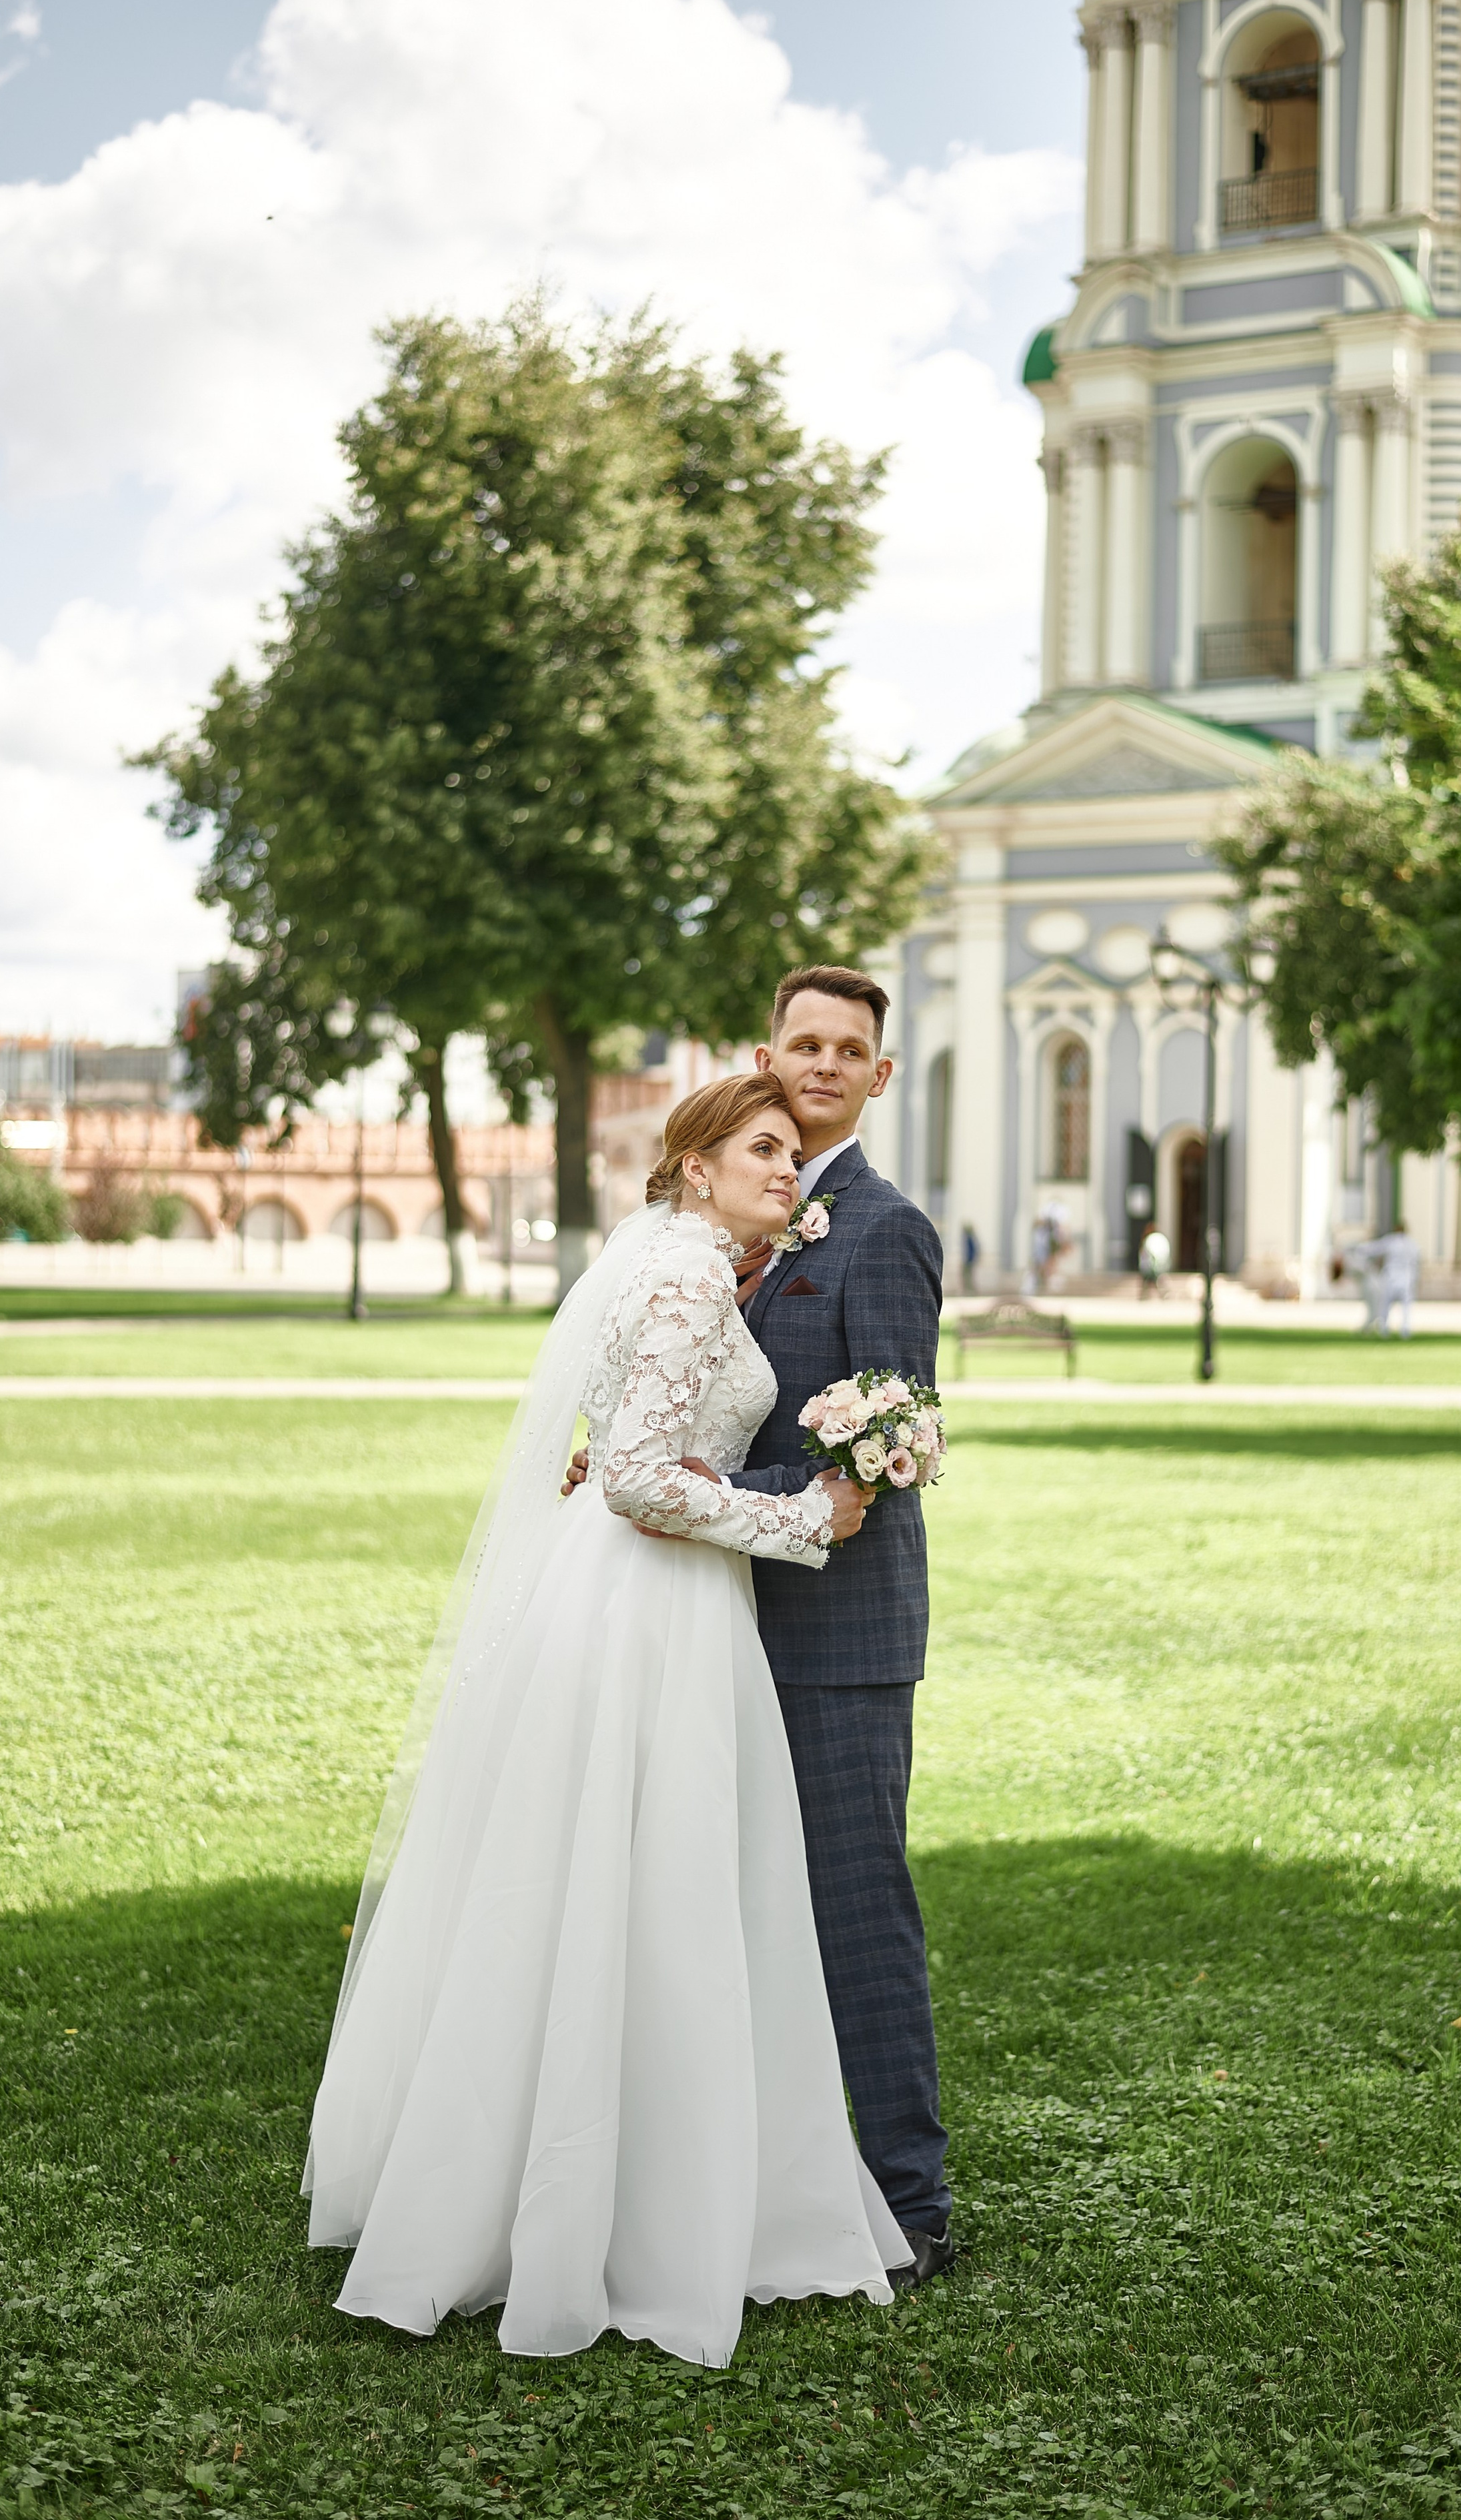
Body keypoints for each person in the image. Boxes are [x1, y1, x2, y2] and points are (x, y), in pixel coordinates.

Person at [304, 1073, 910, 2367]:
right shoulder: (692, 1277)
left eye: (793, 1153)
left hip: (627, 1594)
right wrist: (806, 1518)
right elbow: (637, 1477)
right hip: (654, 1606)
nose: (785, 1171)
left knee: (587, 1888)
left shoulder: (664, 1261)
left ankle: (583, 2186)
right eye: (760, 1148)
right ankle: (642, 2217)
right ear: (692, 1164)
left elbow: (623, 1449)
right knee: (663, 1887)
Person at [570, 966, 954, 2284]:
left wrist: (724, 1497)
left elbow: (886, 1439)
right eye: (806, 1042)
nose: (826, 1063)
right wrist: (626, 1458)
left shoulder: (882, 1227)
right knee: (715, 1915)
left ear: (879, 1075)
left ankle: (911, 2207)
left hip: (835, 1636)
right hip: (704, 1630)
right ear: (766, 1051)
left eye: (852, 1049)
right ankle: (735, 2187)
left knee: (854, 1919)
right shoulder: (738, 1211)